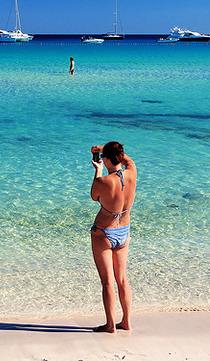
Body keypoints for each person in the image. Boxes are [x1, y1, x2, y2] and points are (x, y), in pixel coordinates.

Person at [89, 141, 137, 333]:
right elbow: (127, 159)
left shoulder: (103, 181)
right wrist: (105, 150)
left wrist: (98, 170)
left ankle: (110, 325)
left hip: (104, 233)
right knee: (122, 279)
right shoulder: (132, 172)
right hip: (124, 230)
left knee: (108, 281)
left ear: (106, 159)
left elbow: (94, 197)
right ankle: (126, 321)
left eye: (103, 157)